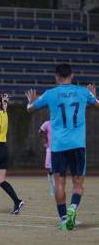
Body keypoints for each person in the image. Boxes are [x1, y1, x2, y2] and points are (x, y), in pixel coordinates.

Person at [25, 63, 99, 231]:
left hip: (58, 146)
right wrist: (93, 98)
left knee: (59, 181)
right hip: (78, 144)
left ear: (56, 76)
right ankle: (73, 207)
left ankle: (64, 219)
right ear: (72, 76)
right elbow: (97, 104)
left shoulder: (50, 94)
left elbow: (30, 109)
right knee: (78, 183)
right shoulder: (82, 92)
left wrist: (31, 101)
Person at [39, 120, 55, 197]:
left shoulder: (61, 122)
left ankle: (56, 187)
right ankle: (52, 185)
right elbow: (40, 132)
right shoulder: (47, 123)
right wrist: (44, 143)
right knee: (48, 168)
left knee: (58, 168)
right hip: (50, 149)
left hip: (60, 149)